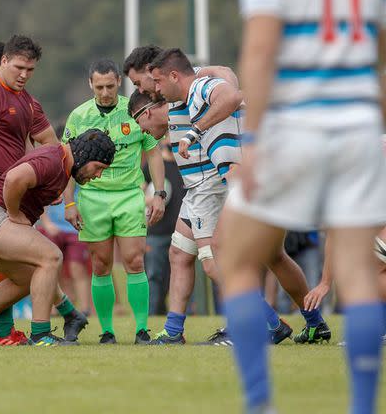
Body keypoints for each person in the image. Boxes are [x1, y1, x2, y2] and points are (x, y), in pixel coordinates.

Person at [220, 0, 386, 412]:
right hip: (361, 129)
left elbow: (261, 52)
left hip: (296, 126)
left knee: (235, 258)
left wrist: (254, 141)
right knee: (360, 273)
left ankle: (260, 403)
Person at [128, 45, 328, 346]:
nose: (144, 88)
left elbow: (229, 90)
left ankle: (269, 323)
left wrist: (196, 130)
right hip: (203, 187)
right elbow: (228, 83)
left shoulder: (195, 87)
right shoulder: (179, 92)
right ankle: (313, 323)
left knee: (216, 263)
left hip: (216, 186)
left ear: (155, 73)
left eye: (140, 82)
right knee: (182, 253)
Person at [0, 129, 115, 345]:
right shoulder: (54, 160)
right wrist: (13, 213)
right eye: (99, 168)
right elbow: (13, 178)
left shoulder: (59, 163)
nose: (98, 175)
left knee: (30, 276)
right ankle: (40, 334)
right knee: (51, 257)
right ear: (85, 155)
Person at [62, 58, 166, 345]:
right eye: (99, 87)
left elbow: (154, 152)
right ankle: (107, 331)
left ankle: (141, 329)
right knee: (100, 264)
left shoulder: (133, 111)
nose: (105, 92)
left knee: (134, 260)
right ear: (90, 85)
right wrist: (69, 203)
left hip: (129, 195)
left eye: (110, 86)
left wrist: (158, 193)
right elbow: (66, 162)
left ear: (118, 82)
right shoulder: (78, 117)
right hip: (93, 197)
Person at [141, 136, 184, 315]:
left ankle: (181, 313)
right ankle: (153, 315)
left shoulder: (184, 166)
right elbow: (138, 192)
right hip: (156, 232)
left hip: (182, 232)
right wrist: (151, 199)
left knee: (176, 276)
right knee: (154, 276)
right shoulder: (152, 166)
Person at [39, 199, 91, 314]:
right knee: (54, 268)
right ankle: (56, 307)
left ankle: (85, 309)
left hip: (76, 228)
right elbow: (39, 197)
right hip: (52, 228)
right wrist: (46, 223)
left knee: (77, 267)